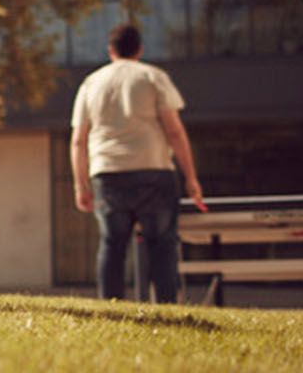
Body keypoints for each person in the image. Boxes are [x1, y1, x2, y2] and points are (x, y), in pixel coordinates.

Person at [70, 23, 206, 303]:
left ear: (111, 51)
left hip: (108, 173)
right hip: (153, 170)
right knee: (162, 245)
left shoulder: (91, 83)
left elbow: (78, 141)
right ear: (140, 49)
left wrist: (80, 184)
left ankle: (112, 308)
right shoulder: (153, 77)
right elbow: (175, 131)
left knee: (112, 244)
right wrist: (191, 178)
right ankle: (167, 308)